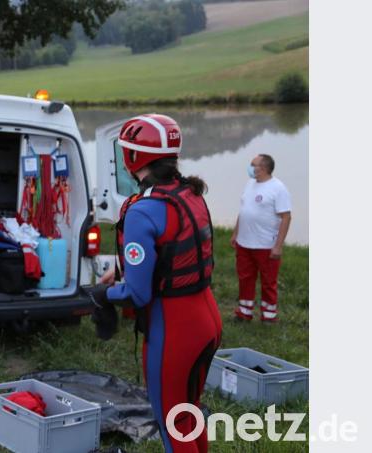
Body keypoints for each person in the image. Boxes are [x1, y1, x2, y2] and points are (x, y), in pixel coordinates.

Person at [90, 114, 222, 452]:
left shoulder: (142, 210)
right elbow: (170, 255)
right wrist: (121, 276)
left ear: (131, 157)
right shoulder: (189, 193)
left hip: (174, 329)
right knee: (189, 412)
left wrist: (105, 294)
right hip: (206, 318)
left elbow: (138, 293)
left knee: (172, 424)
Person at [231, 154, 291, 322]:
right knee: (245, 278)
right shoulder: (250, 184)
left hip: (265, 245)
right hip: (244, 243)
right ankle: (244, 312)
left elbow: (286, 217)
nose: (250, 167)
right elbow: (244, 210)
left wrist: (278, 246)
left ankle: (269, 316)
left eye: (253, 164)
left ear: (263, 168)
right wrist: (236, 233)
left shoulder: (278, 188)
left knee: (268, 281)